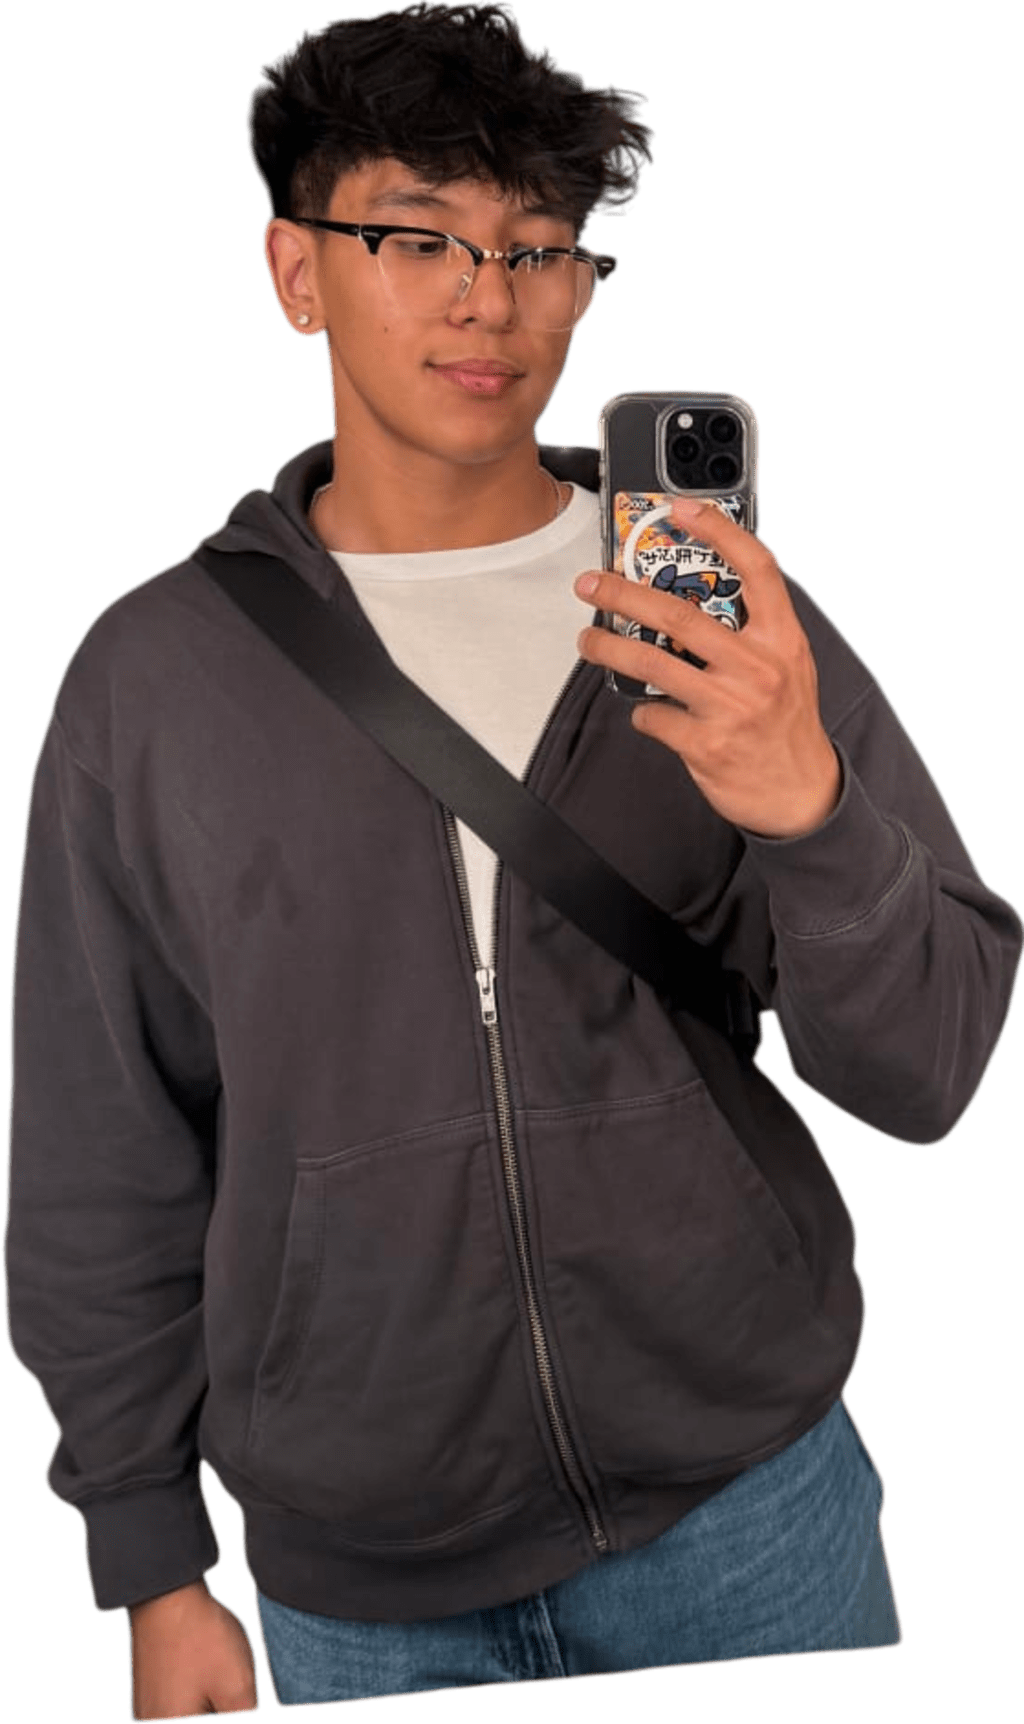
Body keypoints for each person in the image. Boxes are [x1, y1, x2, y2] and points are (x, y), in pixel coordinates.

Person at [4, 3, 1022, 1717]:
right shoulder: (151, 680)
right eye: (419, 240)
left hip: (752, 1519)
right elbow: (98, 1148)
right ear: (298, 271)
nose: (491, 299)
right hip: (359, 1584)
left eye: (541, 248)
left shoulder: (727, 621)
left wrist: (811, 809)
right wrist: (153, 1562)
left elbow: (930, 1075)